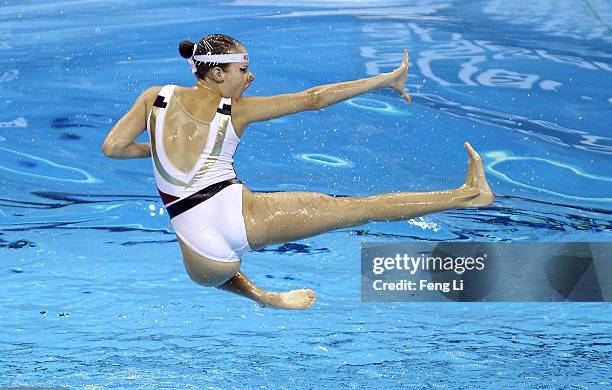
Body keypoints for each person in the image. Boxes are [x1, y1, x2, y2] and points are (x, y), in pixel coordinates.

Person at [102, 34, 494, 310]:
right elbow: (313, 99)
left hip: (202, 261)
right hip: (238, 216)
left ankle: (263, 297)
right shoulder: (236, 110)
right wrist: (386, 79)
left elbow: (113, 148)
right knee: (362, 208)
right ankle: (469, 194)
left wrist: (160, 152)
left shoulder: (155, 97)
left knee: (216, 277)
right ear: (218, 74)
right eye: (244, 68)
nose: (250, 77)